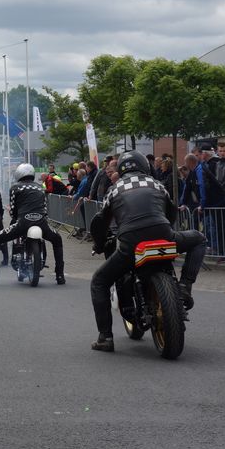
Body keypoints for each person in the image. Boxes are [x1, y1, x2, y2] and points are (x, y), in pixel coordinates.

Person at [89, 150, 206, 352]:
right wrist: (165, 232)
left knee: (99, 282)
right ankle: (185, 286)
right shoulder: (157, 184)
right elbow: (171, 214)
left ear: (120, 170)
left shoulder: (114, 189)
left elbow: (100, 221)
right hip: (163, 233)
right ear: (145, 166)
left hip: (130, 243)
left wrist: (99, 244)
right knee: (199, 239)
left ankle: (105, 337)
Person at [0, 163, 65, 285]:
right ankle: (60, 276)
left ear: (18, 174)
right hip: (42, 223)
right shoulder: (40, 187)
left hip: (23, 223)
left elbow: (13, 210)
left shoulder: (15, 187)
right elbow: (45, 208)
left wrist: (16, 219)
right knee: (57, 239)